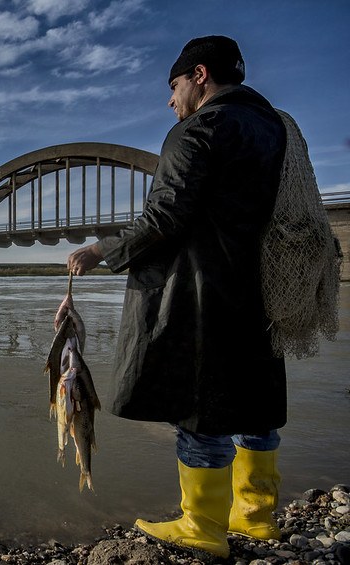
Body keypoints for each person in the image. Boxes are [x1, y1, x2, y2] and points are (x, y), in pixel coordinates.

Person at [58, 36, 289, 560]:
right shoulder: (272, 127)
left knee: (199, 408)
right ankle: (257, 518)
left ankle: (202, 526)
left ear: (199, 75)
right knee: (253, 403)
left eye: (174, 86)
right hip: (260, 286)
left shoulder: (197, 130)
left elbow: (164, 219)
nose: (171, 100)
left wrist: (101, 251)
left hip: (199, 289)